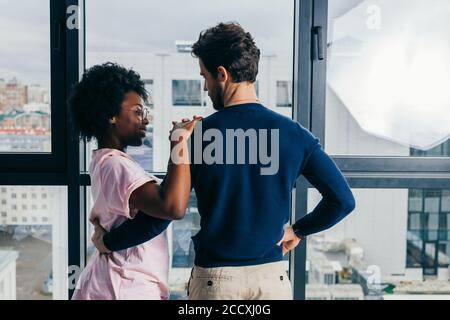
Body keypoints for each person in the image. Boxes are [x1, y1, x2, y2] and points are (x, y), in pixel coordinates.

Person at [92, 23, 356, 300]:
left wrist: (108, 242)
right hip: (271, 281)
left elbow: (162, 215)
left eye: (205, 77)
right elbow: (342, 201)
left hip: (216, 282)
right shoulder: (295, 135)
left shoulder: (194, 136)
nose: (205, 88)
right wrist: (299, 230)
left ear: (222, 74)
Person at [68, 62, 200, 300]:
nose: (145, 120)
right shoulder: (116, 165)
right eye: (138, 112)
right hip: (122, 286)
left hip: (118, 282)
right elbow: (172, 206)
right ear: (111, 116)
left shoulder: (105, 161)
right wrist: (178, 142)